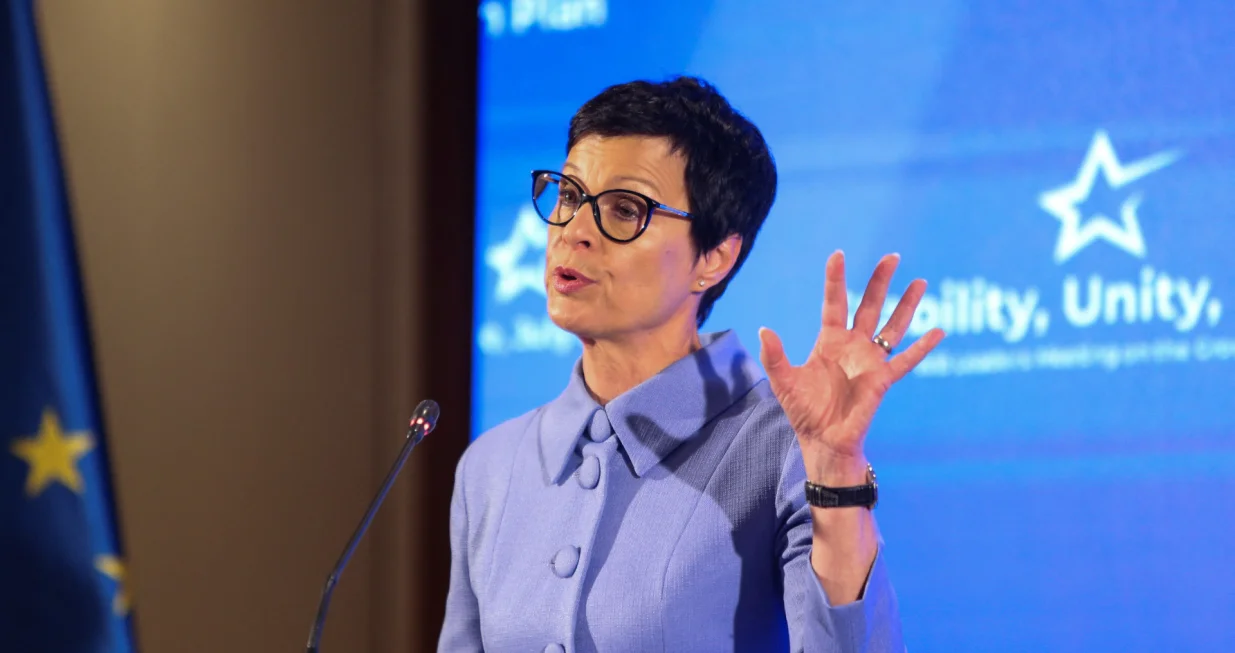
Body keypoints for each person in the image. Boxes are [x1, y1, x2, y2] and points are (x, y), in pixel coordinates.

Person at [438, 76, 944, 653]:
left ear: (714, 258)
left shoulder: (784, 448)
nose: (574, 232)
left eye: (625, 210)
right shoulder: (490, 468)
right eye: (569, 195)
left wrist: (835, 474)